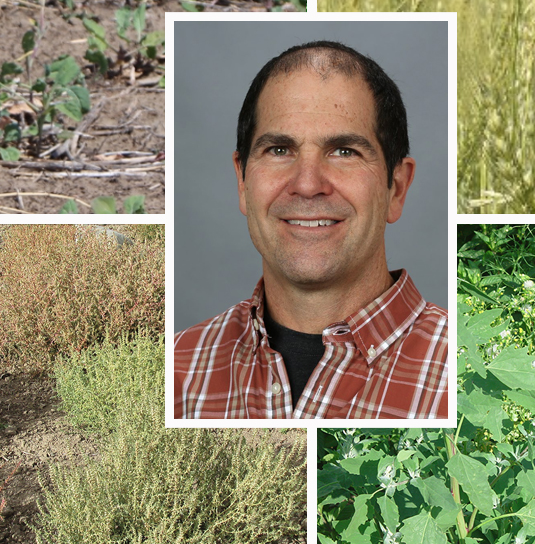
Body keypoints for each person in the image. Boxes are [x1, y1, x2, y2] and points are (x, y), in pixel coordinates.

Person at [174, 40, 448, 419]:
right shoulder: (174, 369)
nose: (307, 183)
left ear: (396, 188)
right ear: (242, 181)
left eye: (344, 151)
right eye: (279, 150)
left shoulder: (464, 372)